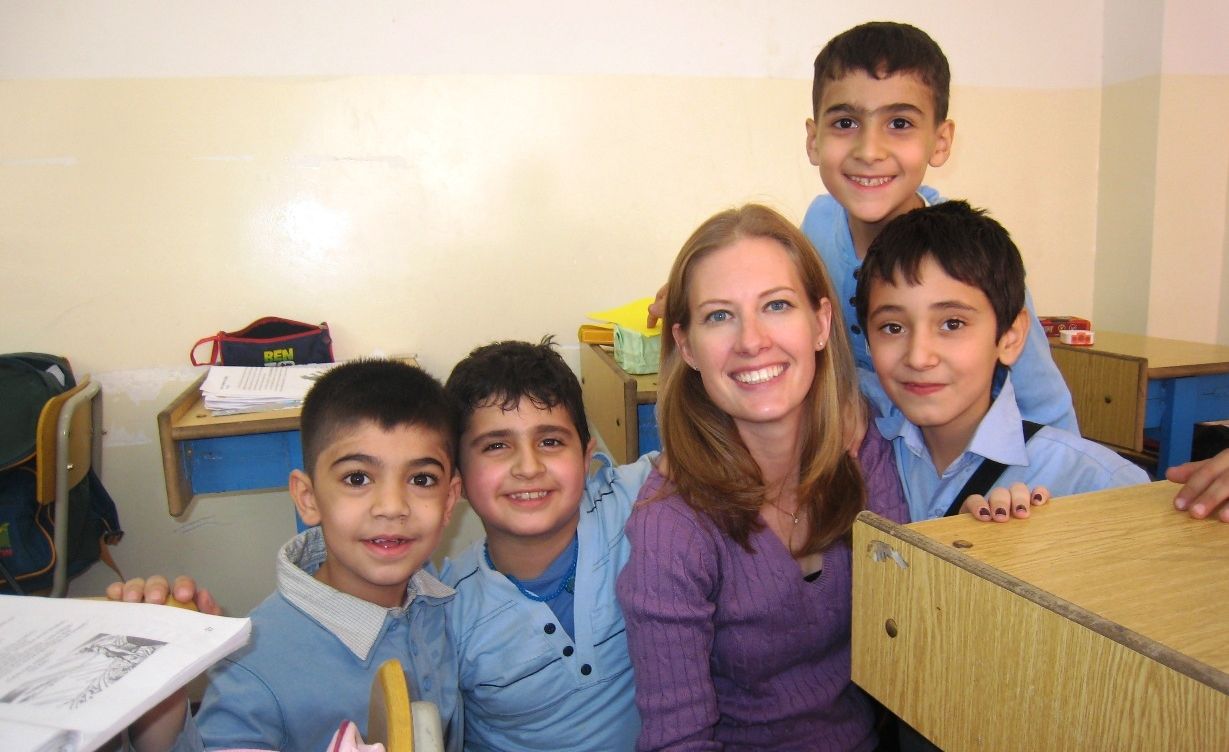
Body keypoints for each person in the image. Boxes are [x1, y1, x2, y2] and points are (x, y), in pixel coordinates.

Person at [617, 204, 908, 751]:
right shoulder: (671, 527)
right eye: (719, 316)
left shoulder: (863, 450)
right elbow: (678, 740)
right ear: (687, 346)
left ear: (821, 324)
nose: (751, 341)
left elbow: (913, 626)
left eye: (776, 305)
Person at [116, 360, 465, 752]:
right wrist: (159, 701)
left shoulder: (449, 602)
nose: (392, 506)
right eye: (357, 478)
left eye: (421, 479)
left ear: (449, 500)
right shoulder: (253, 667)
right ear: (308, 498)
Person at [799, 20, 1080, 435]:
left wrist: (1058, 472)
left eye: (899, 123)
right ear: (814, 140)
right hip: (867, 457)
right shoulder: (817, 225)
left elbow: (1044, 405)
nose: (869, 151)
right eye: (845, 123)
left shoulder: (969, 255)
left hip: (961, 465)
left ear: (941, 141)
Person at [853, 200, 1149, 523]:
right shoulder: (862, 453)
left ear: (1010, 337)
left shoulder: (1096, 485)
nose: (919, 357)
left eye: (952, 323)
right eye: (892, 328)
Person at [440, 338, 654, 751]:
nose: (528, 467)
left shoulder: (634, 502)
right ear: (458, 479)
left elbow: (720, 444)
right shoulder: (448, 612)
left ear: (586, 457)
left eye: (550, 441)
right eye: (496, 446)